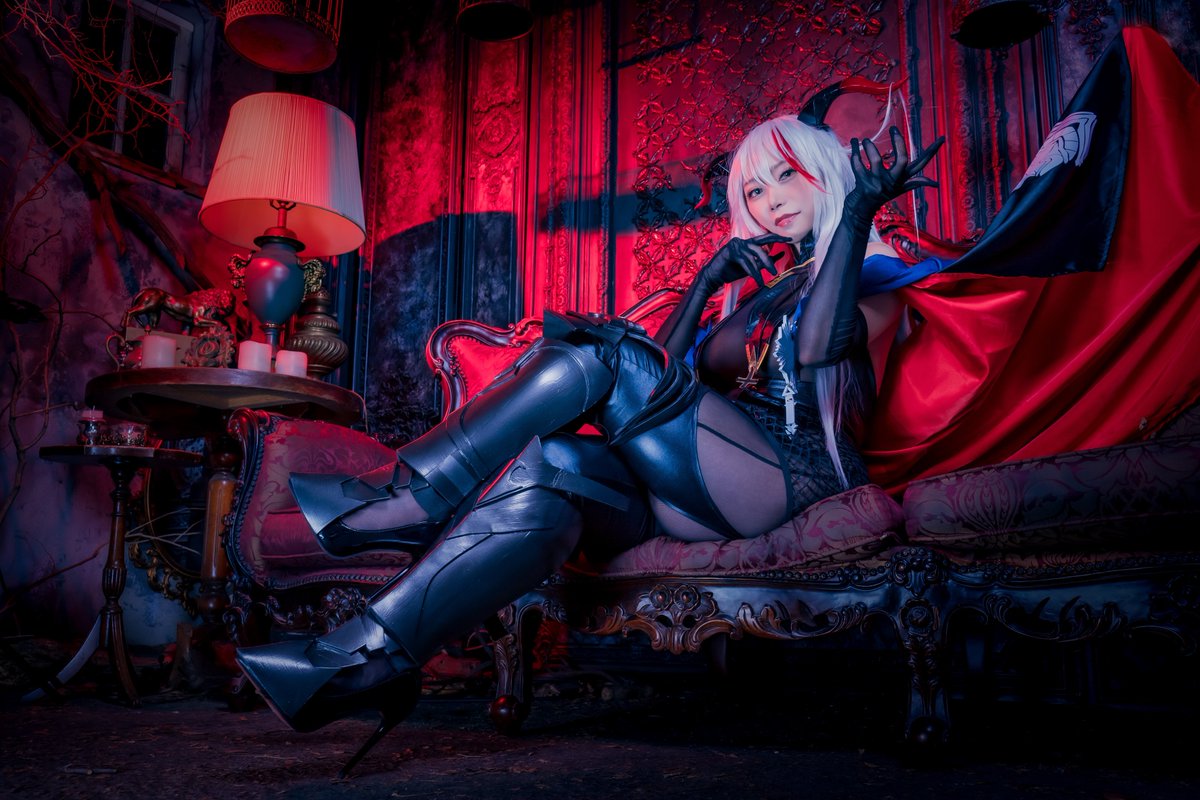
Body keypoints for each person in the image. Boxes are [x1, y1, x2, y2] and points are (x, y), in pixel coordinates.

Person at [234, 104, 943, 775]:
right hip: (706, 485)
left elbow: (818, 351)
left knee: (603, 350)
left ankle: (405, 496)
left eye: (787, 175)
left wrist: (855, 213)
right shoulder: (761, 289)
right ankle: (366, 659)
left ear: (827, 169)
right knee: (554, 466)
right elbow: (668, 375)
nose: (771, 200)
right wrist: (705, 282)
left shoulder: (875, 270)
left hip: (791, 476)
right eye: (754, 190)